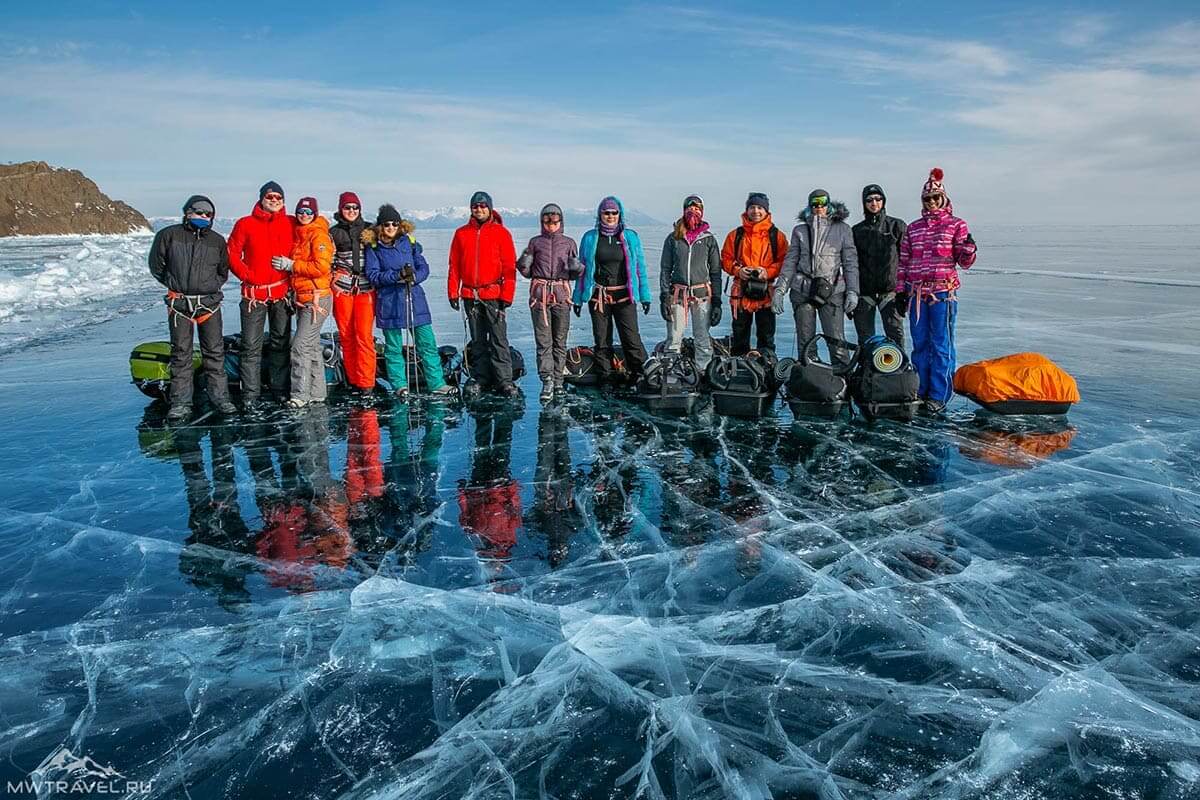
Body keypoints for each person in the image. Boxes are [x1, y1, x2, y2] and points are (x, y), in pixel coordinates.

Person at [895, 167, 978, 414]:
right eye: (927, 199)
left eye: (935, 198)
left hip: (943, 293)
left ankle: (939, 394)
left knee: (941, 344)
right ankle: (920, 390)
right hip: (917, 293)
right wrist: (901, 291)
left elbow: (964, 262)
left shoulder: (956, 225)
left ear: (944, 199)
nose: (931, 203)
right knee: (920, 343)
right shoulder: (914, 228)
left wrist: (969, 250)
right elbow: (904, 261)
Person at [148, 195, 238, 421]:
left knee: (215, 353)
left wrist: (210, 288)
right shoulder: (168, 236)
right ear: (187, 212)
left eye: (208, 214)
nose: (203, 217)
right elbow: (156, 266)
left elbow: (223, 271)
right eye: (198, 212)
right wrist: (174, 285)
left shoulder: (217, 241)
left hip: (208, 305)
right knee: (181, 354)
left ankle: (221, 399)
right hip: (180, 305)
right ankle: (180, 403)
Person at [366, 204, 456, 402]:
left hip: (414, 299)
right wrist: (396, 276)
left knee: (427, 343)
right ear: (380, 226)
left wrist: (414, 277)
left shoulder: (410, 243)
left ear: (400, 225)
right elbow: (373, 275)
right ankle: (399, 385)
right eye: (387, 224)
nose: (391, 227)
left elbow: (423, 266)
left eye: (394, 223)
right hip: (390, 302)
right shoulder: (374, 248)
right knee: (393, 347)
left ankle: (437, 384)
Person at [227, 181, 296, 410]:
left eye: (278, 197)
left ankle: (279, 390)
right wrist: (247, 274)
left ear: (283, 200)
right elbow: (232, 254)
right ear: (261, 198)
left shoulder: (291, 223)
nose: (274, 200)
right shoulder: (245, 224)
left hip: (281, 295)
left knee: (280, 343)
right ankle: (250, 394)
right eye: (270, 196)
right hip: (253, 296)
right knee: (251, 346)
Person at [773, 189, 859, 366]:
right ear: (809, 205)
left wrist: (852, 291)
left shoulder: (843, 229)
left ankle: (843, 380)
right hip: (803, 290)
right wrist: (780, 289)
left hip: (832, 290)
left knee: (836, 340)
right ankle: (808, 377)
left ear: (829, 204)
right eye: (814, 203)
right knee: (805, 341)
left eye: (822, 202)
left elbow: (850, 262)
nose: (818, 206)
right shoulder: (800, 230)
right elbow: (790, 261)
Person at [447, 191, 519, 397]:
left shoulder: (501, 233)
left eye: (482, 206)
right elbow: (455, 266)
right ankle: (480, 377)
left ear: (490, 208)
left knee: (498, 339)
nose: (479, 209)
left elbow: (509, 268)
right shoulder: (461, 234)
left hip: (494, 295)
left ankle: (504, 379)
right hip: (471, 295)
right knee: (477, 340)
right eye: (475, 206)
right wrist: (453, 292)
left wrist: (507, 296)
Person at [572, 196, 651, 383]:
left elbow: (640, 267)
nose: (610, 216)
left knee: (631, 338)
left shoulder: (630, 237)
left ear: (620, 214)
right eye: (606, 213)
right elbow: (582, 270)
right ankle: (605, 378)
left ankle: (638, 375)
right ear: (600, 215)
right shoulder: (590, 237)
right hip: (599, 297)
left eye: (614, 213)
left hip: (624, 296)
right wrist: (577, 298)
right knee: (602, 341)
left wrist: (645, 295)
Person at [517, 203, 584, 402]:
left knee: (560, 340)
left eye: (554, 220)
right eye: (546, 220)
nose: (551, 224)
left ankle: (558, 380)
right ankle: (546, 380)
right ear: (541, 222)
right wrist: (523, 264)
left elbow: (574, 275)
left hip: (561, 295)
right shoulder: (535, 242)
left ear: (561, 221)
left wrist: (577, 268)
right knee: (543, 340)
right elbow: (527, 273)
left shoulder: (569, 242)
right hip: (540, 297)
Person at [280, 197, 334, 408]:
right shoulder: (299, 235)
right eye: (300, 212)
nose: (304, 215)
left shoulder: (318, 234)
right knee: (311, 347)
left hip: (317, 299)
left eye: (308, 212)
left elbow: (321, 267)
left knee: (299, 346)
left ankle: (300, 395)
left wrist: (293, 265)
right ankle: (318, 391)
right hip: (304, 298)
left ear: (315, 214)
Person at [721, 192, 788, 355]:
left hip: (766, 293)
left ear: (766, 211)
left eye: (760, 207)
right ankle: (738, 369)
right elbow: (724, 259)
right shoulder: (735, 235)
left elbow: (785, 262)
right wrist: (738, 270)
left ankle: (767, 368)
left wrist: (767, 272)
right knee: (739, 336)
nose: (756, 211)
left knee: (766, 337)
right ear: (747, 210)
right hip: (740, 294)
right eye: (752, 207)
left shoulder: (777, 236)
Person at [661, 195, 723, 371]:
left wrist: (717, 301)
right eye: (689, 208)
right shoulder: (673, 238)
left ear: (702, 213)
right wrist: (664, 296)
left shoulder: (708, 239)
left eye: (697, 209)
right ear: (683, 211)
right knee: (674, 336)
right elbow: (665, 269)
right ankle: (671, 373)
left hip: (702, 295)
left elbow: (716, 272)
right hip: (678, 295)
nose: (693, 212)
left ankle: (703, 372)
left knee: (702, 337)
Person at [329, 191, 377, 395]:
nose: (351, 211)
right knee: (346, 336)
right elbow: (325, 258)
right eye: (347, 207)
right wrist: (333, 277)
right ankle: (353, 379)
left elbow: (390, 243)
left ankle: (367, 382)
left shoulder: (369, 230)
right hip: (343, 289)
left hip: (366, 289)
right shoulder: (333, 232)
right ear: (341, 209)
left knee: (364, 336)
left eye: (355, 208)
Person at [851, 184, 908, 348]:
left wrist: (904, 292)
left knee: (895, 334)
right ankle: (866, 369)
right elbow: (851, 264)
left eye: (878, 199)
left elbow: (906, 260)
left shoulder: (897, 226)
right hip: (865, 293)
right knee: (865, 337)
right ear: (864, 203)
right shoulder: (857, 231)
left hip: (890, 292)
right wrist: (850, 293)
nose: (874, 203)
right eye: (869, 200)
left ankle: (900, 369)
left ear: (883, 201)